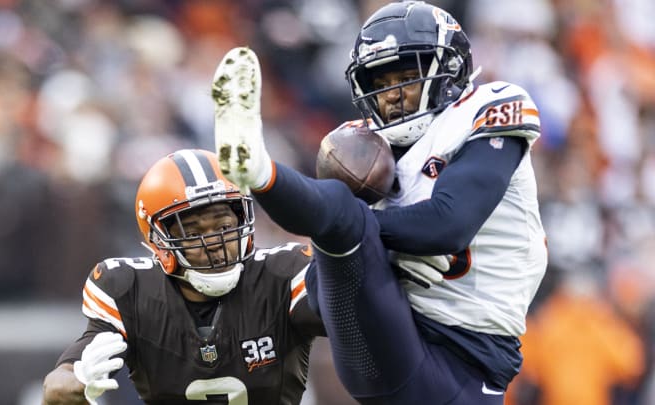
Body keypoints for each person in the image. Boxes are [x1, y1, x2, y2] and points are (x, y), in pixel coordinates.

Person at [211, 1, 548, 404]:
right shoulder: (361, 148)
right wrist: (355, 239)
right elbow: (323, 292)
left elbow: (448, 224)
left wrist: (365, 228)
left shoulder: (486, 108)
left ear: (451, 69)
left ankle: (262, 173)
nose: (392, 95)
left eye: (406, 76)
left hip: (462, 364)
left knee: (340, 214)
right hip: (388, 342)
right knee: (328, 227)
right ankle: (255, 174)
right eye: (379, 81)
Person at [41, 149, 325, 404]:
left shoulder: (283, 274)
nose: (214, 241)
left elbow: (350, 318)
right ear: (158, 239)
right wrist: (70, 386)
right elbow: (58, 385)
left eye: (223, 224)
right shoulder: (128, 289)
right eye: (192, 232)